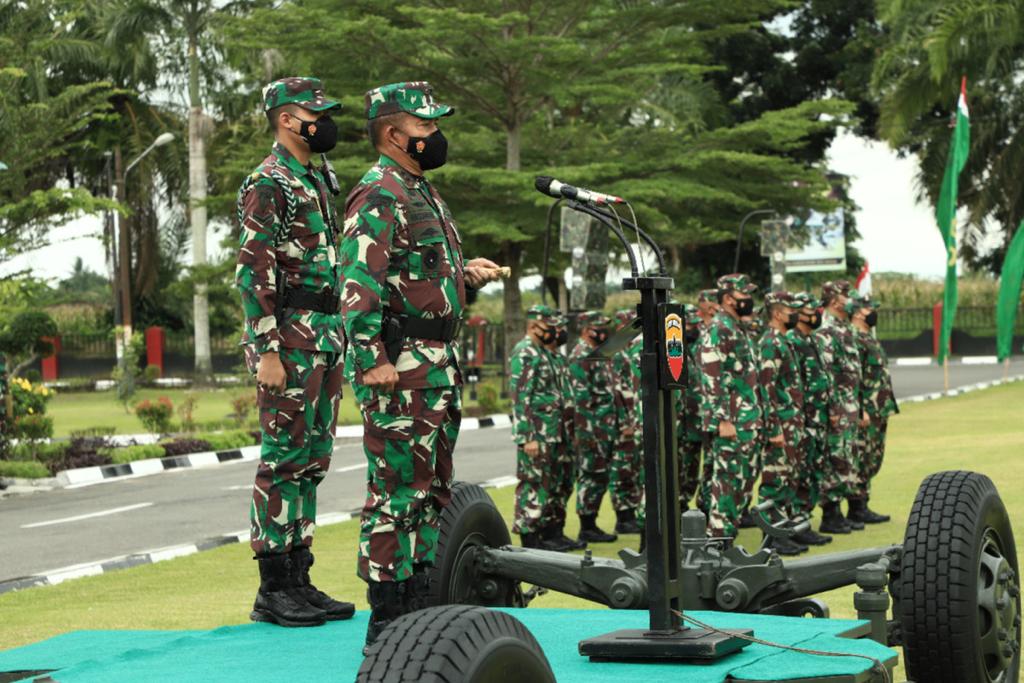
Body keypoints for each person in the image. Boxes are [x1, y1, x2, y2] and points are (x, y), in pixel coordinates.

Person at [339, 81, 502, 648]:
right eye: (426, 127)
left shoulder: (419, 190)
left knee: (432, 490)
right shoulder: (380, 192)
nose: (436, 136)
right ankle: (387, 622)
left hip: (435, 364)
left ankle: (420, 606)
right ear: (393, 133)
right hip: (402, 367)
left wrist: (463, 275)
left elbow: (414, 275)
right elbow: (358, 285)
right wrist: (371, 361)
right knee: (395, 494)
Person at [235, 76, 354, 627]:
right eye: (316, 112)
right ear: (287, 119)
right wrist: (267, 349)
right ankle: (272, 586)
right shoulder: (270, 180)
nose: (324, 121)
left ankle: (299, 576)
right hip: (289, 338)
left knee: (312, 461)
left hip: (324, 334)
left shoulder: (319, 176)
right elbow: (253, 267)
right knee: (283, 459)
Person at [698, 274, 763, 538]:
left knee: (742, 482)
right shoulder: (719, 328)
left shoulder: (737, 327)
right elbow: (711, 376)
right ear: (727, 299)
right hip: (731, 422)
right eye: (743, 295)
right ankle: (718, 542)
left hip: (746, 419)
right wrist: (722, 419)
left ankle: (727, 537)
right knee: (727, 483)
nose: (749, 300)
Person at [509, 305, 576, 551]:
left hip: (552, 431)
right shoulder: (524, 352)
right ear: (534, 326)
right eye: (549, 327)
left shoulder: (542, 353)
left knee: (551, 483)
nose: (553, 333)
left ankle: (550, 535)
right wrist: (527, 437)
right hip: (536, 433)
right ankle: (529, 539)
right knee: (532, 483)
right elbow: (520, 397)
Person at [756, 291, 806, 555]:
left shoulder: (782, 340)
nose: (794, 314)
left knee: (787, 479)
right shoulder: (770, 343)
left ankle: (783, 531)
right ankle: (772, 538)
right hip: (780, 426)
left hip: (791, 423)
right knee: (774, 480)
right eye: (790, 310)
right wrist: (773, 428)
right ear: (777, 313)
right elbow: (766, 387)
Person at [814, 280, 862, 534]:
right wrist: (833, 408)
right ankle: (830, 514)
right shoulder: (826, 330)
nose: (851, 300)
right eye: (846, 295)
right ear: (834, 300)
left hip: (849, 406)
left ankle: (841, 511)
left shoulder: (844, 329)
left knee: (846, 457)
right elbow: (827, 373)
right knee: (835, 458)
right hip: (837, 409)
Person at [567, 310, 619, 543]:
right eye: (600, 327)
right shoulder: (581, 355)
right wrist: (584, 432)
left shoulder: (597, 353)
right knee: (590, 475)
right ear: (587, 329)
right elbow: (580, 398)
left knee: (600, 474)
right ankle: (586, 526)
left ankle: (592, 522)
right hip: (591, 428)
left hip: (603, 426)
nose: (605, 331)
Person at [787, 292, 833, 546]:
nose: (817, 314)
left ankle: (804, 522)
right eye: (811, 310)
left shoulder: (810, 339)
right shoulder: (793, 341)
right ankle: (795, 525)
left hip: (818, 418)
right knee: (800, 475)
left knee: (813, 473)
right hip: (803, 420)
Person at [850, 295, 896, 524]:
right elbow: (854, 377)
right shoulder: (856, 339)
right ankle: (856, 507)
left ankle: (863, 503)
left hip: (879, 407)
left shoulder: (868, 337)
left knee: (873, 458)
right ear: (858, 312)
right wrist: (860, 409)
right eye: (870, 308)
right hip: (867, 409)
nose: (873, 312)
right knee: (863, 457)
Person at [541, 313, 585, 550]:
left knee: (564, 482)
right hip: (549, 431)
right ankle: (545, 534)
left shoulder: (558, 358)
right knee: (548, 483)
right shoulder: (535, 355)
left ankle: (557, 531)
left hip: (566, 432)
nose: (561, 333)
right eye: (557, 328)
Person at [609, 309, 643, 535]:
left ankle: (629, 513)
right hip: (625, 422)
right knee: (621, 468)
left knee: (632, 468)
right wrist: (624, 422)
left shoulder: (630, 349)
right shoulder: (616, 352)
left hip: (634, 417)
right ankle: (623, 516)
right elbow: (615, 390)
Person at [677, 304, 705, 509]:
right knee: (677, 472)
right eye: (690, 325)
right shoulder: (674, 352)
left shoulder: (692, 351)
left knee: (691, 473)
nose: (694, 329)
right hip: (680, 426)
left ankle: (683, 508)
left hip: (694, 425)